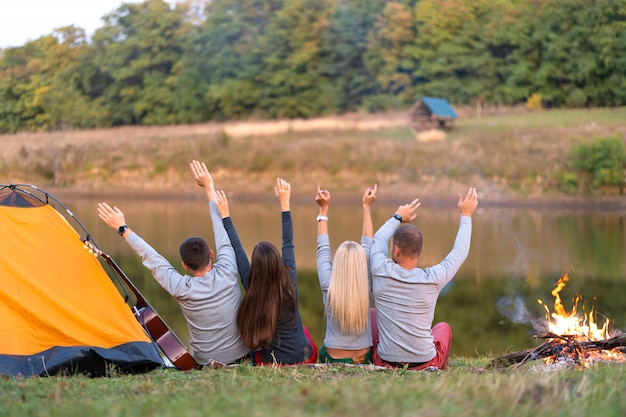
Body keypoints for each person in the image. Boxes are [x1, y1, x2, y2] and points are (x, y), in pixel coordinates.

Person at [96, 160, 249, 366]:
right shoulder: (228, 271)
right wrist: (209, 188)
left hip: (205, 361)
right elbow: (220, 228)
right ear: (212, 254)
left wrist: (122, 228)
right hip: (243, 356)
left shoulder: (180, 287)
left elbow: (153, 259)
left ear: (184, 265)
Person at [369, 187, 479, 370]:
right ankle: (440, 368)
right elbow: (460, 252)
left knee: (371, 315)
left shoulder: (380, 269)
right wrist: (466, 215)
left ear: (395, 250)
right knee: (443, 328)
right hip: (425, 362)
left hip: (384, 361)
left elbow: (378, 240)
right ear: (418, 252)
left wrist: (397, 217)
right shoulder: (433, 278)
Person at [214, 178, 317, 365]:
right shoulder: (289, 281)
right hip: (304, 357)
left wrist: (225, 216)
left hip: (272, 362)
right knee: (303, 330)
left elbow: (237, 251)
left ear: (256, 269)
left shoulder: (251, 285)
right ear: (278, 263)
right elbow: (288, 241)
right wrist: (285, 203)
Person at [315, 184, 377, 364]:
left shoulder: (328, 283)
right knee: (372, 313)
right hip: (362, 358)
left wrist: (323, 209)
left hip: (331, 357)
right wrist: (366, 207)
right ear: (361, 265)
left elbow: (323, 248)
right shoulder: (367, 283)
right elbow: (368, 244)